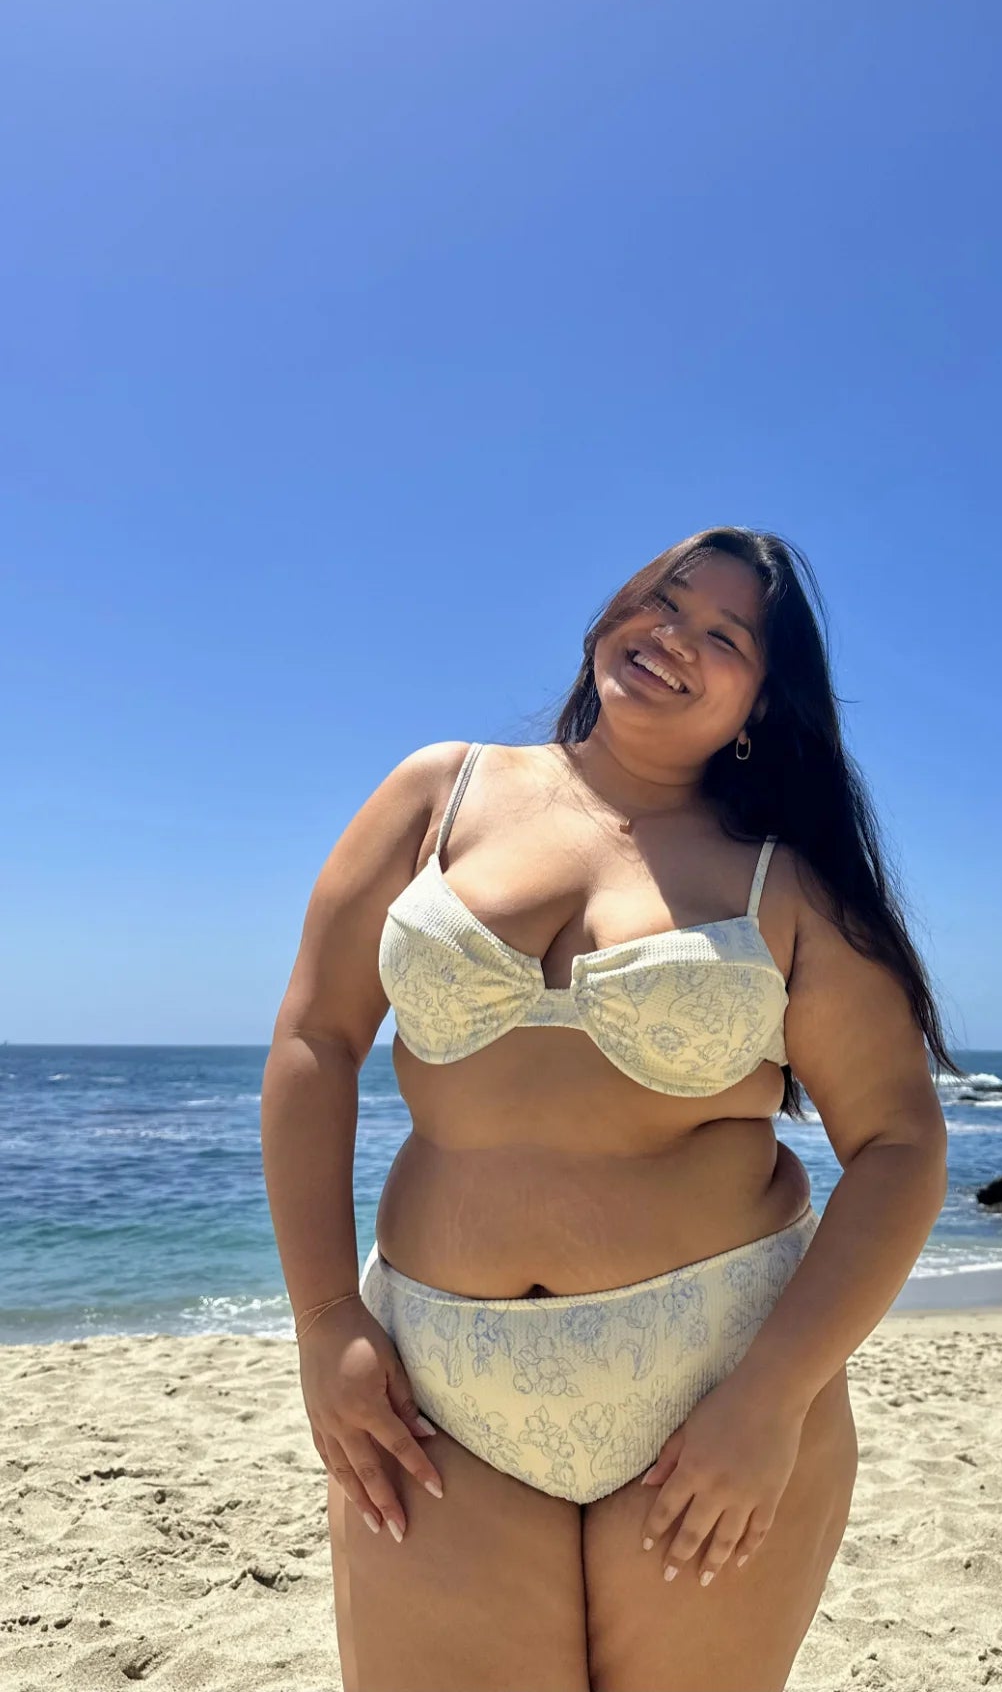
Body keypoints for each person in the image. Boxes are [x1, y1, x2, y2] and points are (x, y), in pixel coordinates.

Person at [261, 525, 955, 1692]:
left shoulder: (786, 884)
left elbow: (898, 1142)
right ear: (611, 614)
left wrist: (772, 1397)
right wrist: (325, 1318)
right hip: (434, 1394)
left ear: (761, 705)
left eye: (723, 635)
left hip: (714, 1387)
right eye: (662, 600)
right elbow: (315, 1042)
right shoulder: (441, 793)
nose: (673, 636)